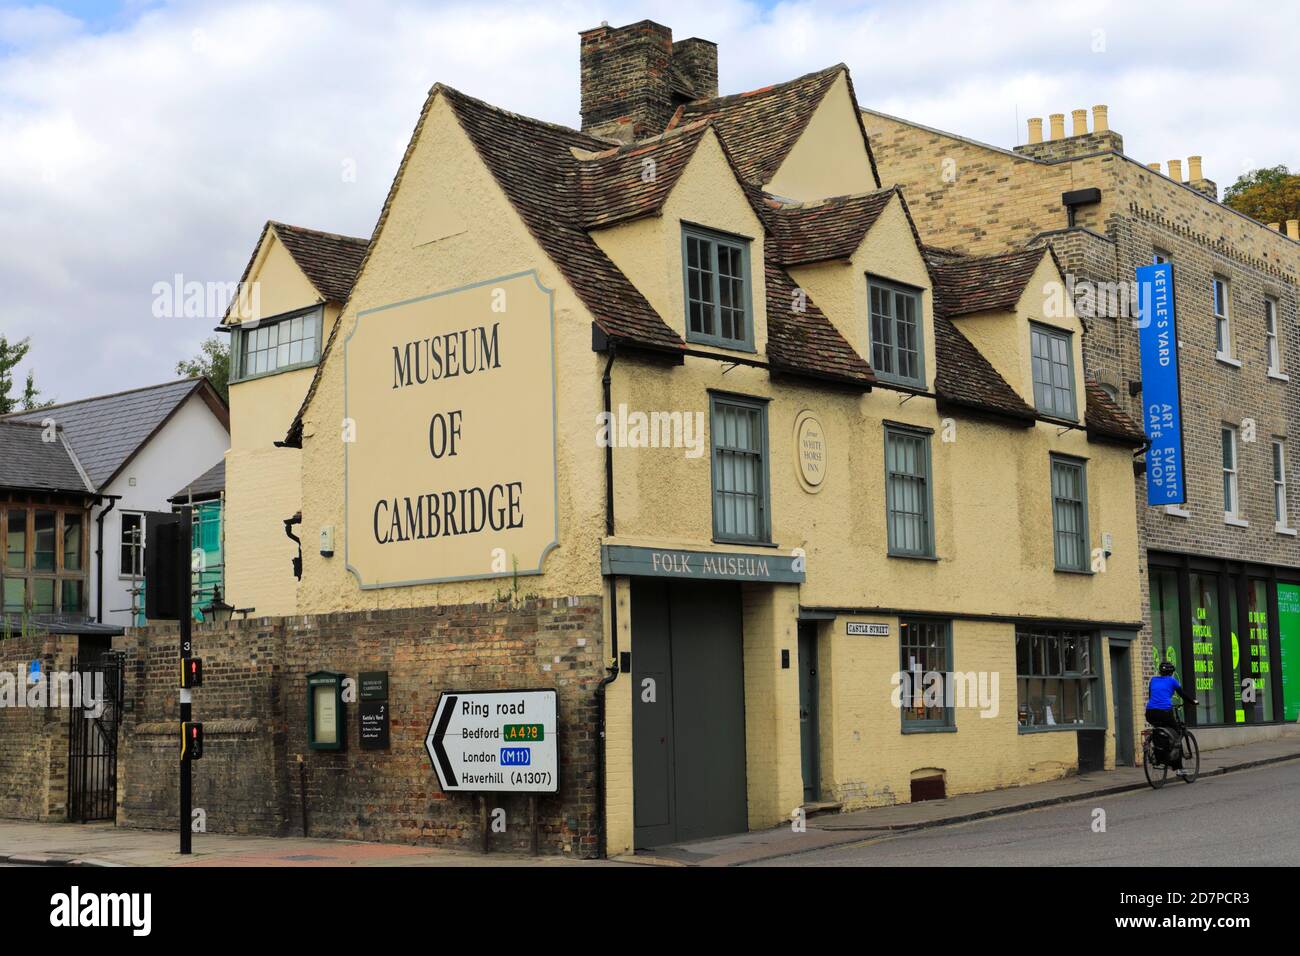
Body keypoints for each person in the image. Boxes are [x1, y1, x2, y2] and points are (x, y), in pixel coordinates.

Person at [1146, 661, 1197, 772]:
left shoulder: (1153, 680)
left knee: (1159, 731)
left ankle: (1158, 755)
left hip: (1150, 713)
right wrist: (1193, 701)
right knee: (1177, 734)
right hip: (1165, 712)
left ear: (1160, 672)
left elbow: (1151, 696)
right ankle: (1178, 768)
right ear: (1172, 672)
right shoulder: (1172, 681)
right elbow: (1182, 694)